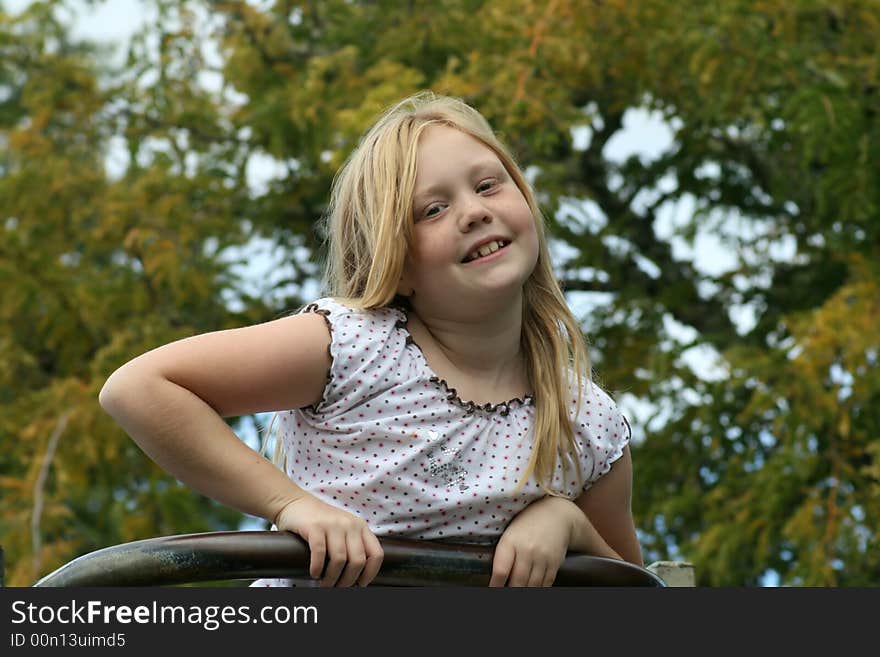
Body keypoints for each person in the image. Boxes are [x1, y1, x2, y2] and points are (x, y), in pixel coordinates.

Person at [99, 91, 642, 588]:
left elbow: (635, 594)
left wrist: (567, 522)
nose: (474, 212)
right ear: (397, 264)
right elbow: (140, 388)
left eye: (487, 185)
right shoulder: (358, 349)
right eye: (433, 209)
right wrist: (291, 506)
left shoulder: (584, 421)